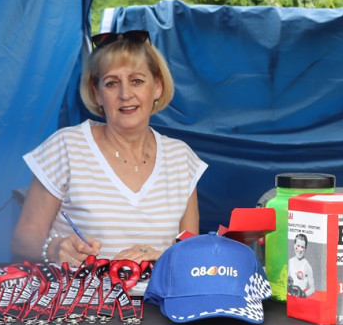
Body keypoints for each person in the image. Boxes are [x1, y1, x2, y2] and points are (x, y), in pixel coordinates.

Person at [11, 30, 206, 264]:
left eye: (137, 81)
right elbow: (23, 240)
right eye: (112, 83)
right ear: (97, 93)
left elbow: (191, 253)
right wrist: (54, 248)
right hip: (76, 299)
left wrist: (165, 257)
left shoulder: (181, 158)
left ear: (157, 87)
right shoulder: (66, 146)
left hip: (157, 300)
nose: (125, 94)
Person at [287, 233, 315, 297]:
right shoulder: (290, 261)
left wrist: (302, 294)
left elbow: (312, 289)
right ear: (294, 246)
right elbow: (288, 278)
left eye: (302, 247)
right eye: (298, 246)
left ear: (305, 249)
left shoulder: (307, 267)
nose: (299, 250)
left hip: (300, 301)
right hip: (289, 299)